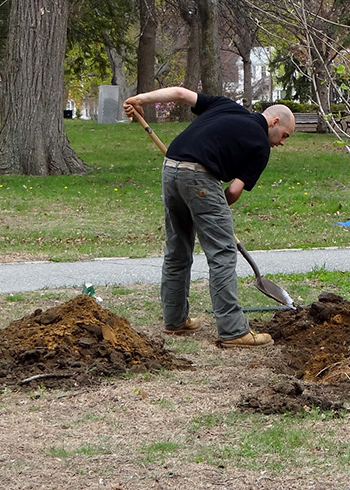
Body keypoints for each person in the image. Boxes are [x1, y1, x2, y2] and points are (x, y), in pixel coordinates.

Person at [123, 87, 296, 348]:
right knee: (223, 253)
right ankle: (234, 331)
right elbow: (234, 191)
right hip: (200, 176)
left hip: (171, 169)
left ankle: (175, 320)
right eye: (284, 135)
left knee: (177, 249)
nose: (282, 142)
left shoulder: (225, 105)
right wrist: (212, 210)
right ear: (274, 122)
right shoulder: (261, 146)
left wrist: (138, 100)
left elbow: (181, 93)